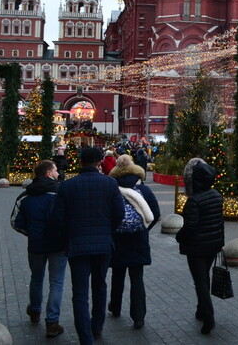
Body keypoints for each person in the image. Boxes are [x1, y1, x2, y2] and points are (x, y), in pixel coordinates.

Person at [52, 146, 125, 345]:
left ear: (81, 162)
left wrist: (68, 235)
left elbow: (58, 218)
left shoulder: (67, 186)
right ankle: (97, 326)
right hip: (103, 245)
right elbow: (119, 213)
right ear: (100, 162)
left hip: (77, 246)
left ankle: (85, 337)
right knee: (100, 286)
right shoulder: (110, 184)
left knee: (80, 293)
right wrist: (108, 230)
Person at [12, 160, 67, 338]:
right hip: (58, 244)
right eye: (56, 170)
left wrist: (31, 233)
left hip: (35, 245)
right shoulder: (60, 194)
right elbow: (69, 218)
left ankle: (35, 311)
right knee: (56, 282)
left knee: (36, 278)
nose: (58, 173)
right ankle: (52, 322)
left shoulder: (25, 196)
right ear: (49, 174)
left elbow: (15, 222)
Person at [107, 154, 160, 329]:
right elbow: (156, 214)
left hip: (118, 240)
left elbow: (108, 215)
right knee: (137, 278)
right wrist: (144, 228)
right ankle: (138, 317)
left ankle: (115, 307)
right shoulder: (144, 190)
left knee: (117, 275)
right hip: (138, 240)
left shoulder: (112, 189)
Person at [176, 158, 225, 335]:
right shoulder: (217, 195)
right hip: (213, 244)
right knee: (204, 277)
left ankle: (209, 317)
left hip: (197, 247)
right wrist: (220, 242)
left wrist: (179, 237)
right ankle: (201, 309)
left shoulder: (194, 201)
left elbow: (190, 227)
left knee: (201, 281)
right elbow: (220, 222)